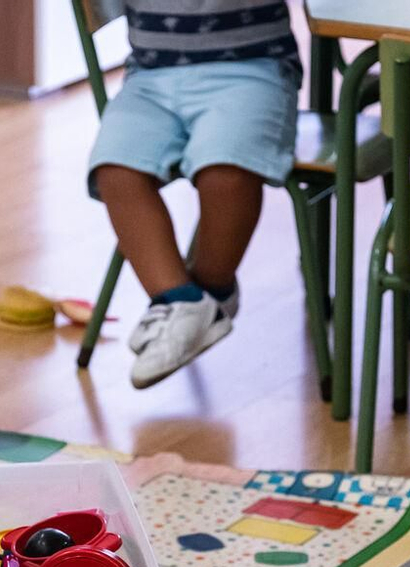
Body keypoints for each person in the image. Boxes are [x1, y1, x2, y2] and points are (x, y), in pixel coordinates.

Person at [88, 0, 302, 388]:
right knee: (115, 172)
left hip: (252, 70)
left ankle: (208, 292)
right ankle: (180, 299)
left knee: (227, 171)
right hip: (150, 76)